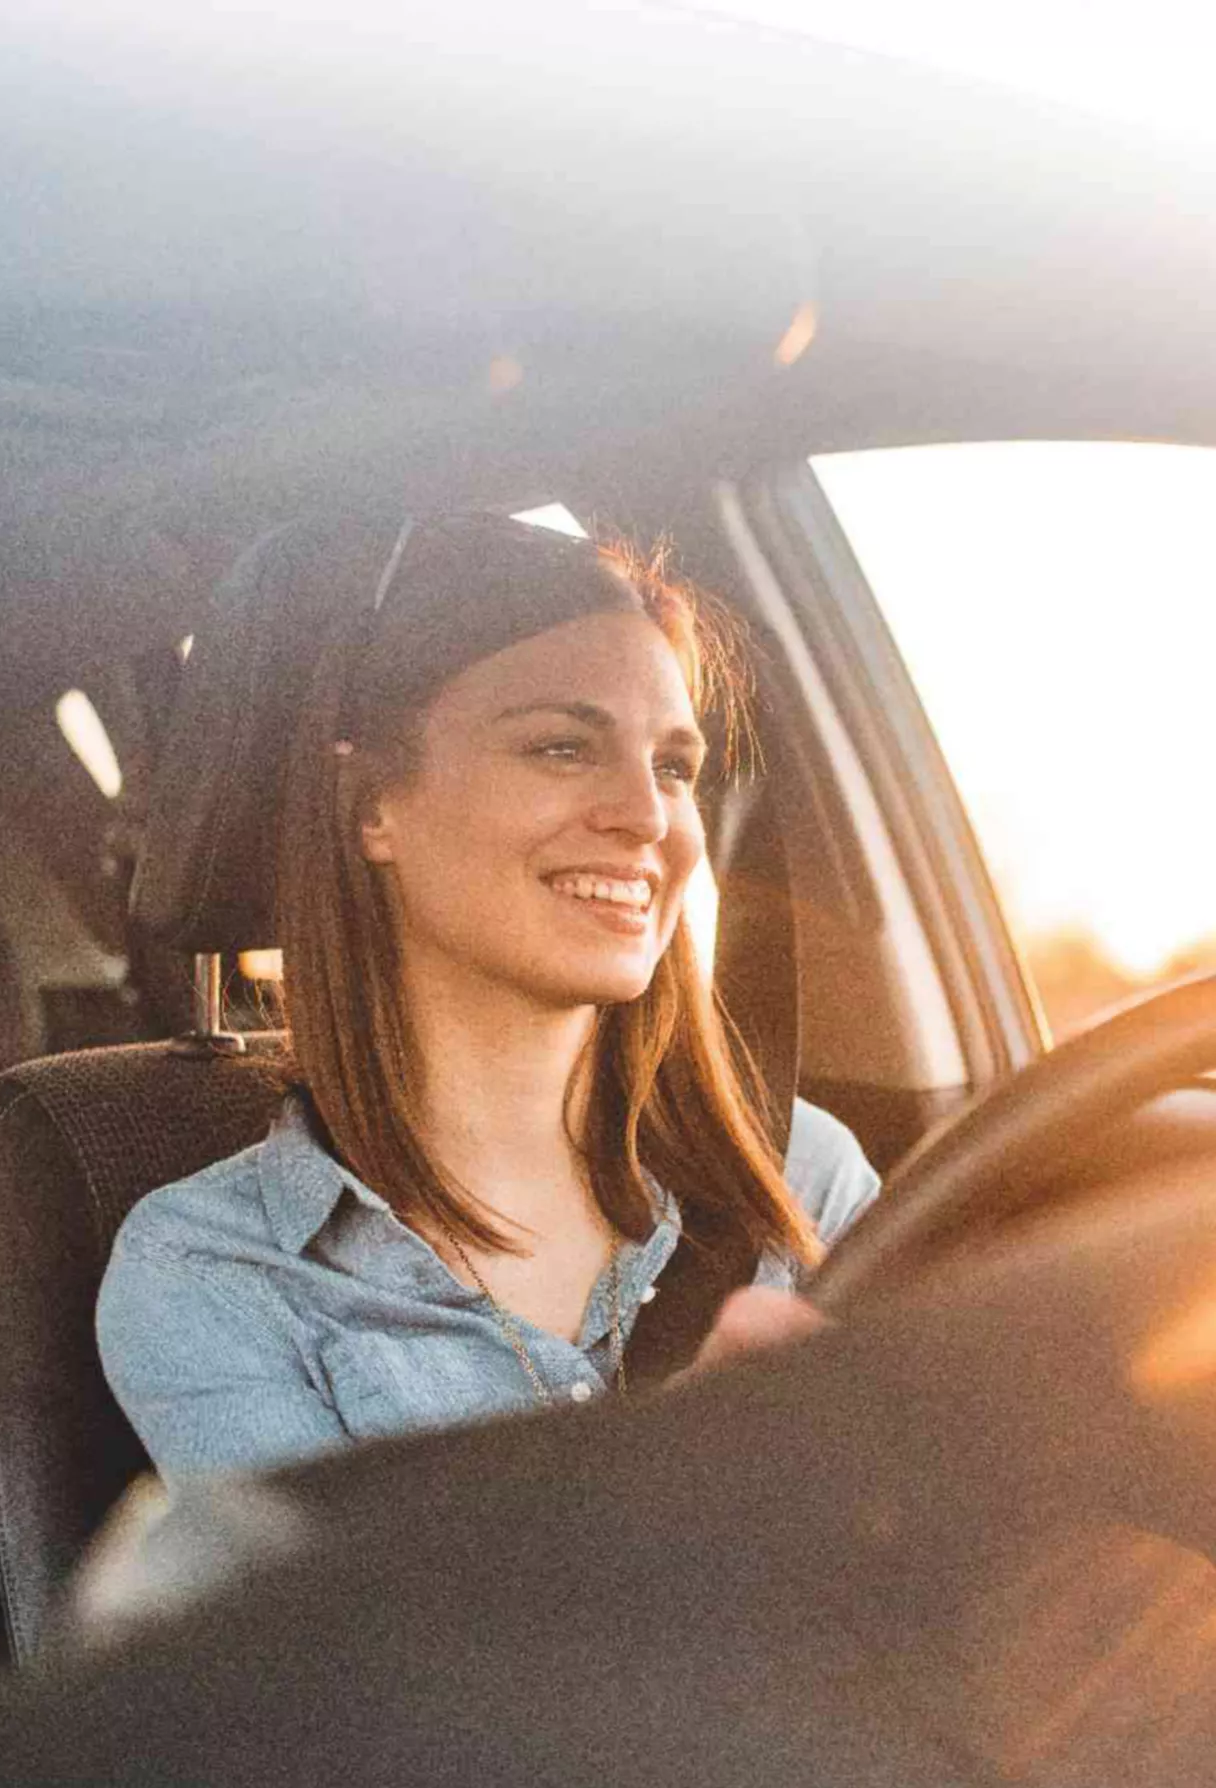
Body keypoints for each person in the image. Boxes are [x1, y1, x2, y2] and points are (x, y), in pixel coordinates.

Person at [97, 514, 878, 1480]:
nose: (646, 816)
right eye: (561, 747)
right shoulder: (215, 1272)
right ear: (374, 806)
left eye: (674, 767)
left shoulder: (802, 1178)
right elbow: (350, 1635)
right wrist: (689, 1481)